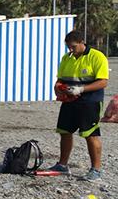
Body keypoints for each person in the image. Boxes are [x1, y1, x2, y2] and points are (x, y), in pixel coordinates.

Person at [46, 30, 109, 180]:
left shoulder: (97, 57)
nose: (71, 50)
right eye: (68, 47)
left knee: (90, 135)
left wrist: (81, 89)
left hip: (90, 102)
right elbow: (60, 79)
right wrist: (58, 88)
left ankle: (95, 169)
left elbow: (103, 82)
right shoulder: (67, 58)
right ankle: (62, 165)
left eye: (73, 46)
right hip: (69, 102)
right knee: (65, 131)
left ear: (82, 43)